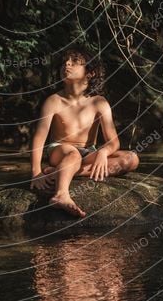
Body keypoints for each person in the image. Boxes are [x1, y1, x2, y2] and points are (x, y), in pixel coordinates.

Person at [30, 45, 140, 218]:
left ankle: (63, 172)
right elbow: (39, 138)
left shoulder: (99, 103)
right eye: (64, 62)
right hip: (60, 149)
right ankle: (61, 195)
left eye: (74, 61)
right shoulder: (54, 101)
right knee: (72, 155)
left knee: (131, 159)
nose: (66, 64)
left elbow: (114, 142)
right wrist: (36, 172)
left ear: (90, 73)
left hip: (89, 152)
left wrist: (103, 152)